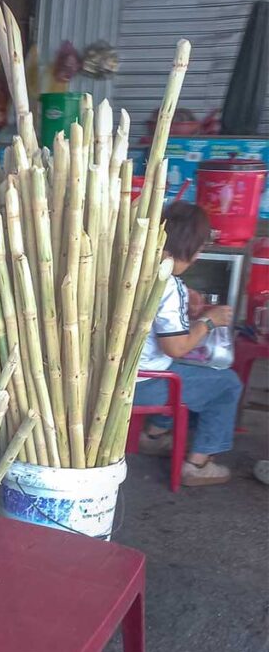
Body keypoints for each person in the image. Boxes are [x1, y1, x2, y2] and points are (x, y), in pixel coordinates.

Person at [133, 202, 241, 487]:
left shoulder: (130, 267)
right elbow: (176, 348)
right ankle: (198, 464)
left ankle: (155, 435)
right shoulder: (166, 284)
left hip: (120, 378)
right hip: (144, 385)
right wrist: (208, 321)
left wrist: (184, 309)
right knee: (227, 383)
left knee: (189, 366)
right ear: (191, 248)